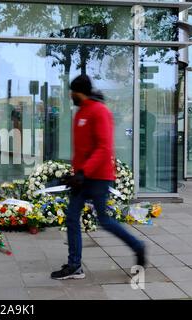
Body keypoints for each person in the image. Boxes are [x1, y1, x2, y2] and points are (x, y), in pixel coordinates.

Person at [51, 75, 146, 280]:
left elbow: (104, 148)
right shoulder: (80, 113)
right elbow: (81, 150)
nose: (70, 95)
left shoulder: (100, 111)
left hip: (99, 177)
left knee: (103, 220)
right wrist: (76, 173)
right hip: (83, 178)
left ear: (79, 92)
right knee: (71, 218)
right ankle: (75, 265)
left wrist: (84, 172)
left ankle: (138, 246)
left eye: (72, 92)